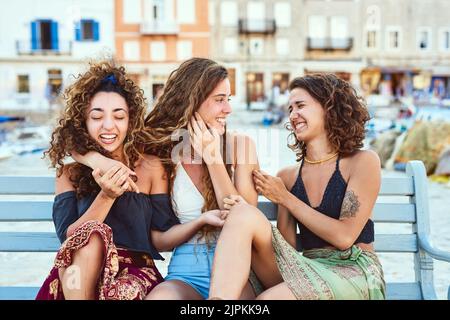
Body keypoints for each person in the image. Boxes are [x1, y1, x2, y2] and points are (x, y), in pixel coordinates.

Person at [36, 60, 227, 300]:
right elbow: (70, 240)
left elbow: (163, 238)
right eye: (96, 117)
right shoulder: (69, 174)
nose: (108, 126)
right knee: (92, 236)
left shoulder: (150, 166)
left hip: (134, 272)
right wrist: (106, 195)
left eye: (119, 116)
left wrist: (200, 221)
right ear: (82, 122)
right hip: (79, 274)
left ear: (131, 120)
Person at [71, 58, 259, 300]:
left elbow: (241, 216)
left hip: (238, 271)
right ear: (193, 100)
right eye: (220, 100)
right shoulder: (159, 148)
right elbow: (73, 142)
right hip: (185, 274)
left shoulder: (240, 146)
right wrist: (102, 162)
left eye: (228, 99)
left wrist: (212, 157)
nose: (228, 109)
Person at [209, 73, 386, 300]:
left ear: (329, 107)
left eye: (300, 105)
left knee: (265, 301)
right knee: (243, 217)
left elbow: (344, 237)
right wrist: (246, 213)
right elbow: (287, 252)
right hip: (306, 269)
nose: (293, 115)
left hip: (352, 271)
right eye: (290, 109)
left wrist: (285, 198)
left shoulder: (363, 162)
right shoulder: (288, 177)